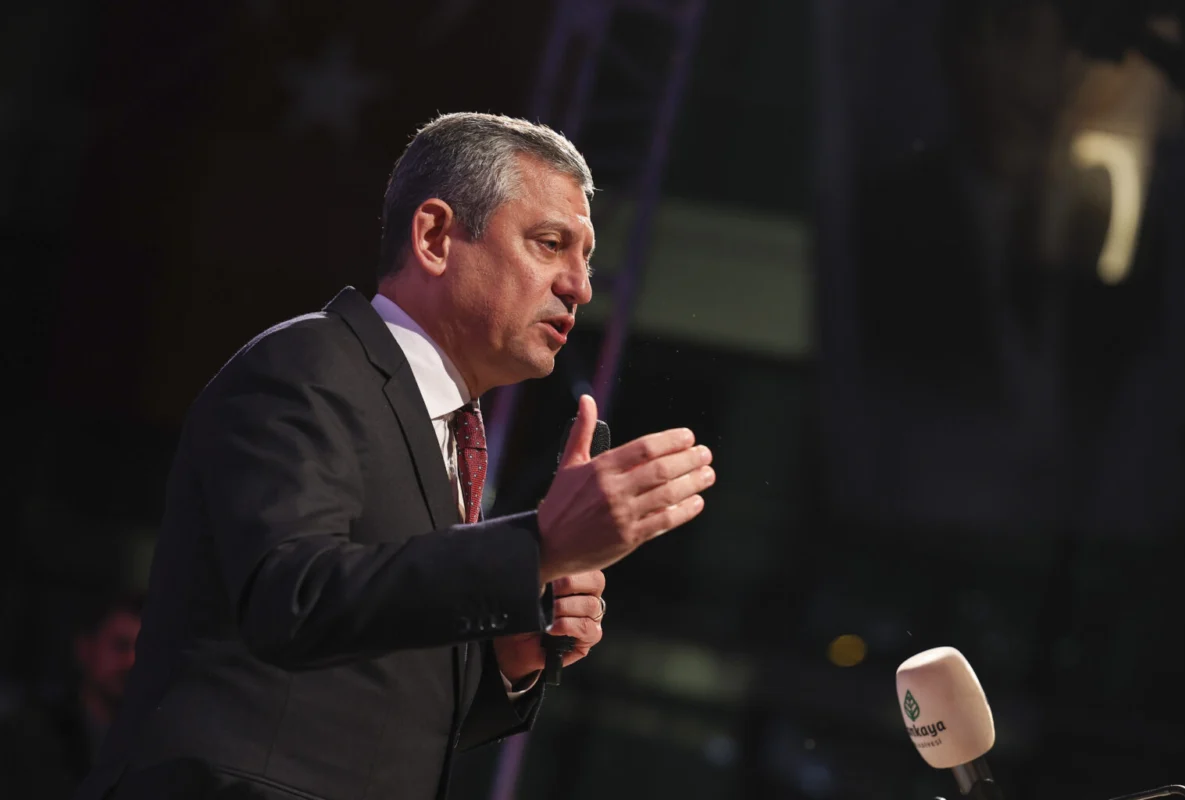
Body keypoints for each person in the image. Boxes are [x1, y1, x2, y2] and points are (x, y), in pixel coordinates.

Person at [72, 112, 716, 800]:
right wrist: (539, 547)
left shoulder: (447, 431)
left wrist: (508, 657)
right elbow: (294, 599)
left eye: (585, 260)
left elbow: (373, 701)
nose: (579, 286)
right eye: (551, 244)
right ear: (435, 237)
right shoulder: (309, 363)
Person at [0, 593, 141, 799]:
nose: (132, 661)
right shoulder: (27, 737)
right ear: (85, 650)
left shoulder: (162, 745)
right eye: (121, 646)